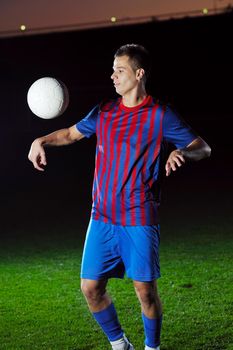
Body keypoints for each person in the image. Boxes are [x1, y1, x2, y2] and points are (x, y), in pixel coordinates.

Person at [28, 44, 211, 350]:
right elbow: (71, 134)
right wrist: (41, 139)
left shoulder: (160, 115)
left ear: (139, 74)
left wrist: (181, 151)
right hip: (101, 218)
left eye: (120, 70)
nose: (112, 76)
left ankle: (152, 347)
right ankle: (120, 344)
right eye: (113, 69)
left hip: (139, 218)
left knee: (145, 291)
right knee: (90, 288)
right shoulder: (104, 112)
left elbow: (203, 147)